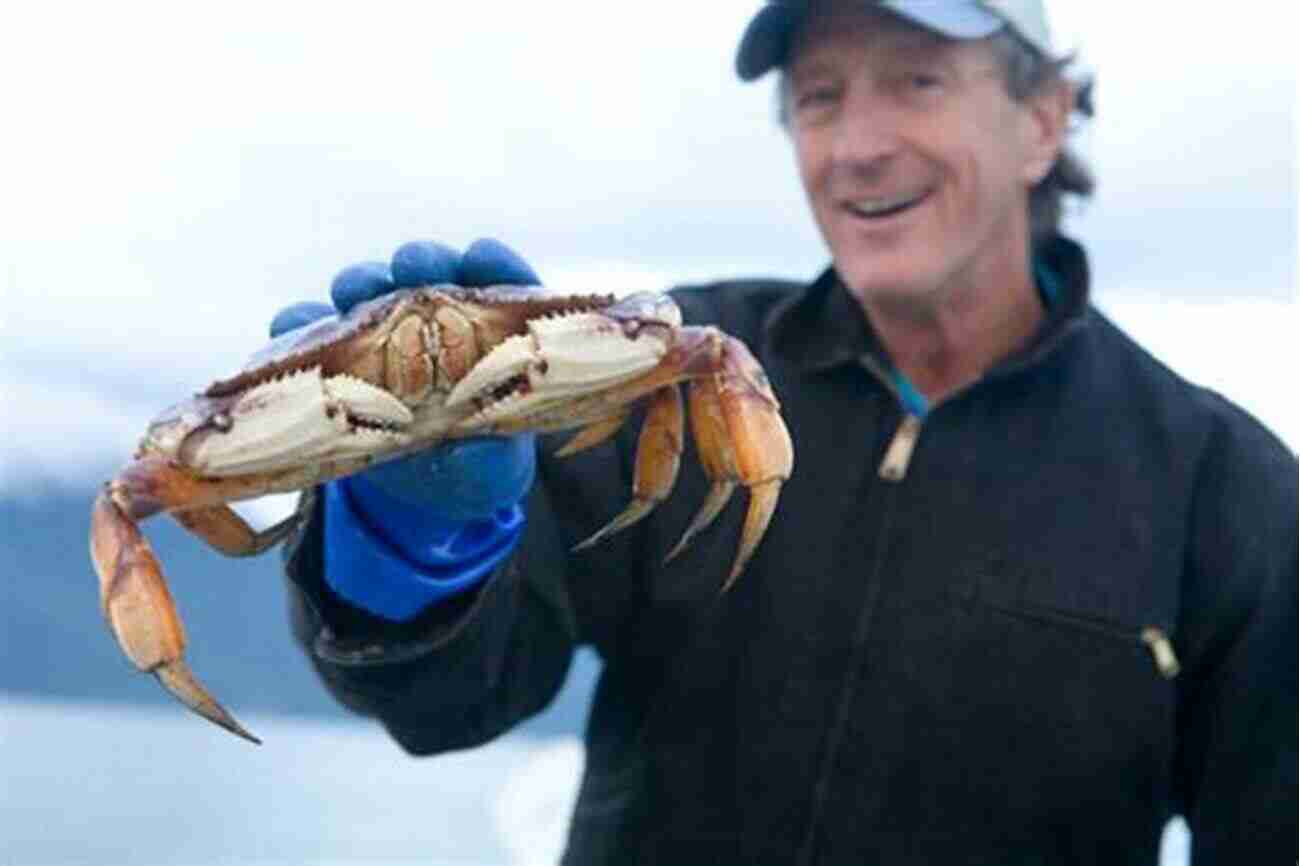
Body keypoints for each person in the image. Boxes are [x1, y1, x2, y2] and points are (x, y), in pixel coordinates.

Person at [272, 2, 1297, 862]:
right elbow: (452, 694)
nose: (856, 144)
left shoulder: (1224, 491)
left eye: (915, 82)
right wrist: (409, 541)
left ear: (1042, 119)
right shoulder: (660, 366)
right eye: (818, 97)